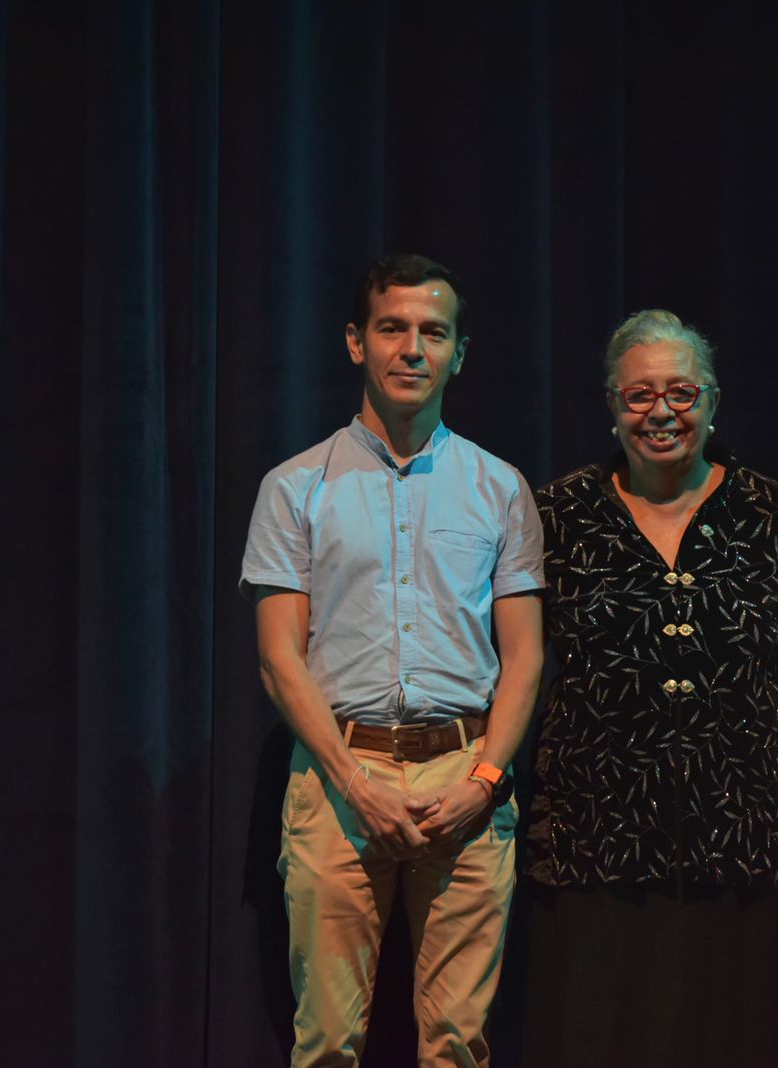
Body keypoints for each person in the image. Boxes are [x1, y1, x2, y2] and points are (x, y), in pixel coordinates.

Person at [240, 253, 544, 1067]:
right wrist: (353, 783)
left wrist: (485, 780)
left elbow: (524, 657)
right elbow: (278, 659)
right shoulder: (294, 487)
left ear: (459, 352)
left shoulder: (500, 488)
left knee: (458, 1045)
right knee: (327, 1043)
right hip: (339, 777)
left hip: (464, 778)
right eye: (392, 329)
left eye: (433, 332)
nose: (413, 349)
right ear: (356, 342)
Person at [521, 310, 778, 1067]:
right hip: (595, 836)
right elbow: (517, 659)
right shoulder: (556, 516)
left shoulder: (773, 514)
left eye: (682, 393)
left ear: (712, 402)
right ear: (611, 405)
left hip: (735, 837)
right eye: (639, 394)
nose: (661, 411)